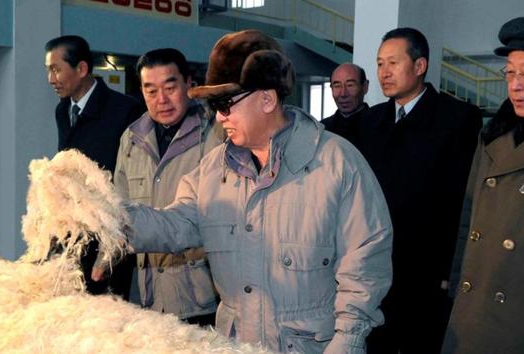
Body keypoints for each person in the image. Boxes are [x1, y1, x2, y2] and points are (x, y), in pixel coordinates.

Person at [94, 29, 393, 353]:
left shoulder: (336, 164)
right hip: (237, 344)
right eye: (214, 104)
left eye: (226, 103)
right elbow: (175, 224)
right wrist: (100, 214)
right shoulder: (212, 171)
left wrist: (347, 341)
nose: (219, 116)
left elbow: (365, 262)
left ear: (267, 98)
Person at [352, 28, 482, 354]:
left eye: (393, 63)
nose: (384, 72)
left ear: (420, 65)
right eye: (380, 63)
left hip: (425, 273)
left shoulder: (457, 119)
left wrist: (448, 272)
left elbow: (459, 202)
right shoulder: (371, 120)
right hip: (375, 266)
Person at [442, 16, 524, 354]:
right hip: (474, 309)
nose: (515, 85)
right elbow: (469, 217)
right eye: (510, 72)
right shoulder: (494, 135)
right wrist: (455, 286)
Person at [113, 48, 223, 325]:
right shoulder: (131, 139)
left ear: (189, 84)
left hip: (202, 299)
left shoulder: (215, 134)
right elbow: (118, 208)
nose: (161, 100)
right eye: (151, 91)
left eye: (170, 87)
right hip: (147, 299)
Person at [44, 35, 142, 299]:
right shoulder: (62, 111)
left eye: (56, 69)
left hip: (108, 236)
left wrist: (113, 245)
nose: (51, 79)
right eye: (48, 70)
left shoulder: (125, 111)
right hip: (73, 233)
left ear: (82, 69)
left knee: (107, 318)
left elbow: (130, 182)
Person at [320, 63, 369, 143]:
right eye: (337, 86)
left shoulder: (379, 126)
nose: (343, 94)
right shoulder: (323, 129)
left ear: (365, 87)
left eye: (350, 85)